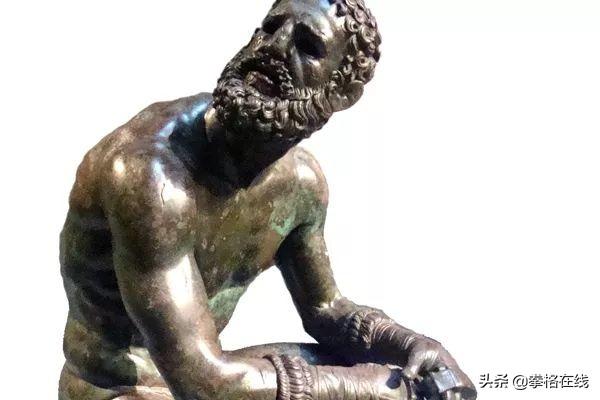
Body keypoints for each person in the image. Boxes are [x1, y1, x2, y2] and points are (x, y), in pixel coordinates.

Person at [59, 1, 476, 399]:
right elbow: (204, 384)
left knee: (362, 368)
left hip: (204, 376)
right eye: (271, 27)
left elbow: (326, 309)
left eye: (307, 46)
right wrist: (384, 389)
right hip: (116, 390)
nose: (274, 47)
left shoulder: (300, 183)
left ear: (342, 92)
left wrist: (413, 347)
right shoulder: (150, 176)